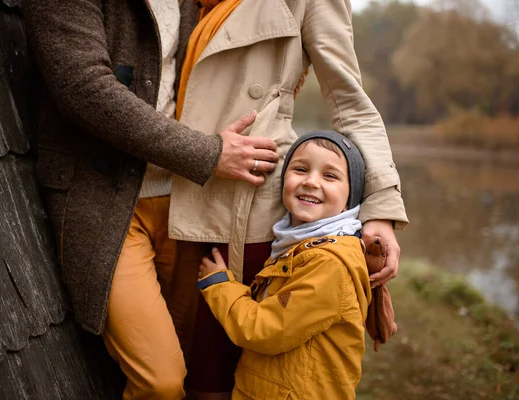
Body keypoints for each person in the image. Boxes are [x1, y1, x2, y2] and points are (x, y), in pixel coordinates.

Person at [22, 1, 281, 399]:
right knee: (161, 380)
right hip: (107, 205)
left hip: (188, 206)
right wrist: (208, 153)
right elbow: (82, 87)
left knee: (202, 375)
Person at [170, 1, 409, 397]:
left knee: (215, 377)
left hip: (242, 209)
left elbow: (350, 102)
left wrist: (380, 207)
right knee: (167, 371)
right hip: (162, 187)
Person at [196, 131, 372, 400]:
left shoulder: (329, 264)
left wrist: (219, 285)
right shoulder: (295, 244)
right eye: (300, 169)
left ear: (351, 197)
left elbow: (266, 330)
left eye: (330, 175)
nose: (311, 182)